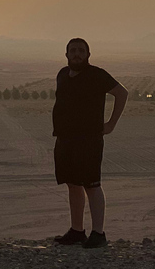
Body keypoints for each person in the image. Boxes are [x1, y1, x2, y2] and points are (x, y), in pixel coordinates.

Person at [52, 38, 128, 249]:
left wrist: (111, 124)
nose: (77, 54)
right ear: (66, 54)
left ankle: (98, 233)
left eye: (81, 51)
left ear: (88, 54)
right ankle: (77, 231)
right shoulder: (62, 75)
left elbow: (122, 93)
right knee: (72, 183)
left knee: (91, 185)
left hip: (89, 140)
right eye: (73, 50)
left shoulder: (97, 75)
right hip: (65, 138)